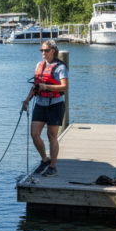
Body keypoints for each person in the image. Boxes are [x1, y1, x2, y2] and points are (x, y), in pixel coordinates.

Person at [21, 39, 68, 177]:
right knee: (34, 134)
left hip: (55, 104)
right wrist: (27, 100)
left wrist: (46, 87)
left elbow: (64, 86)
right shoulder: (39, 65)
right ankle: (45, 160)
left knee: (51, 135)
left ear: (53, 51)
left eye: (46, 50)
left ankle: (52, 167)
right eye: (41, 50)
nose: (43, 53)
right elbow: (35, 85)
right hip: (40, 104)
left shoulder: (60, 67)